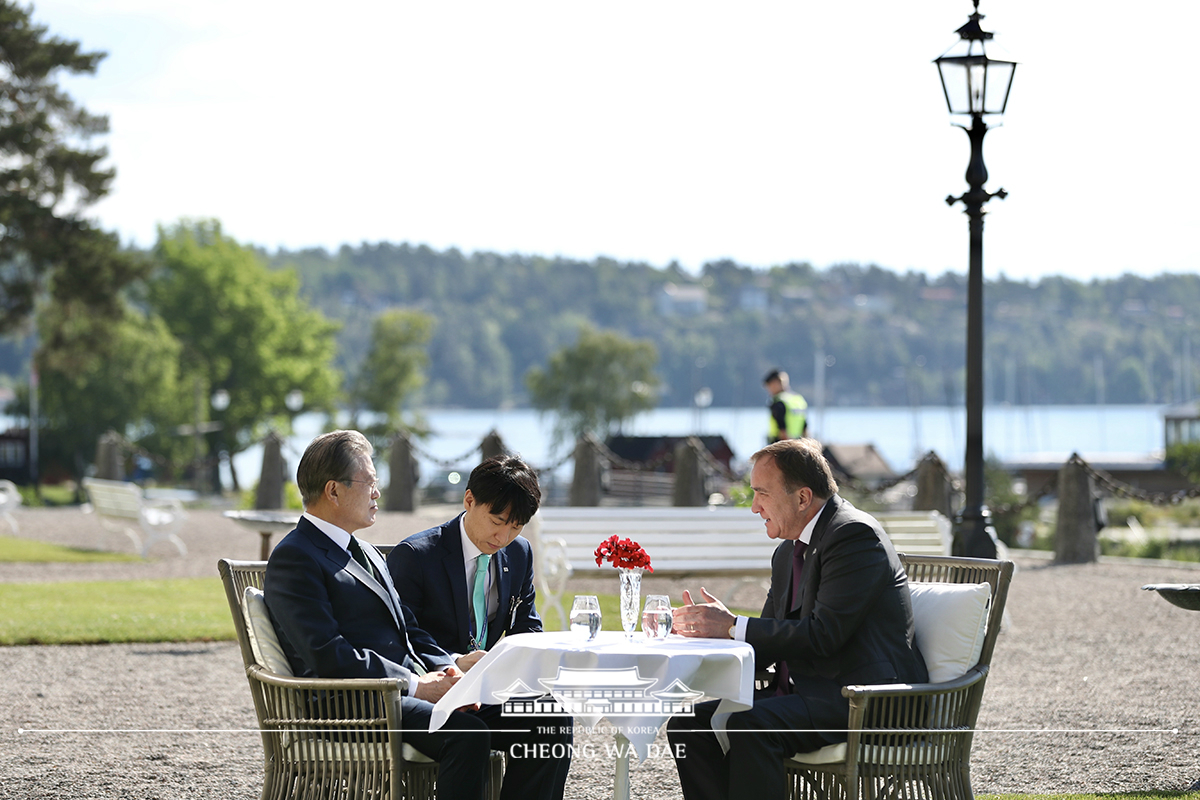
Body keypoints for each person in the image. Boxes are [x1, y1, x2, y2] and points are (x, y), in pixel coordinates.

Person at [666, 437, 927, 800]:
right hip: (807, 692)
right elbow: (772, 642)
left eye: (762, 493)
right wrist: (711, 636)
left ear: (803, 498)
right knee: (688, 725)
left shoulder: (854, 536)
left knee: (749, 726)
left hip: (863, 700)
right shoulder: (788, 551)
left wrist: (732, 626)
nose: (754, 507)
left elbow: (823, 636)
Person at [263, 430, 491, 800]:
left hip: (403, 694)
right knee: (468, 733)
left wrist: (450, 665)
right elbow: (327, 653)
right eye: (369, 482)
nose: (377, 492)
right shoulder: (296, 556)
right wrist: (418, 686)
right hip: (352, 705)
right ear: (333, 491)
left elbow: (409, 631)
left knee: (537, 718)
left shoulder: (367, 552)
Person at [387, 454, 572, 800]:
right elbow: (404, 634)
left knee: (554, 720)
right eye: (497, 521)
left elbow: (527, 629)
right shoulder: (415, 555)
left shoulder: (519, 553)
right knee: (471, 731)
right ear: (469, 499)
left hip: (487, 690)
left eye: (516, 526)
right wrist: (454, 662)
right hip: (433, 690)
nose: (503, 536)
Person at [763, 368, 808, 442]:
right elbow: (805, 428)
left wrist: (787, 448)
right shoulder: (798, 400)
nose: (769, 391)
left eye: (769, 387)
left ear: (775, 384)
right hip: (798, 443)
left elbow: (782, 430)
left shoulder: (779, 401)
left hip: (781, 446)